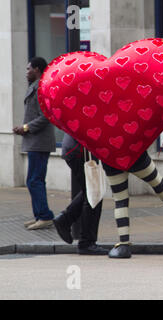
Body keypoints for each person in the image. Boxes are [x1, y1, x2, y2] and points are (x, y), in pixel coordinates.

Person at [13, 57, 56, 230]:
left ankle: (44, 216)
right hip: (35, 142)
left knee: (34, 180)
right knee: (34, 180)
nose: (26, 72)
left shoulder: (40, 88)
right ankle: (40, 215)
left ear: (37, 69)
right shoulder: (36, 87)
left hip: (39, 142)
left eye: (28, 69)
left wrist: (25, 128)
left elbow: (46, 116)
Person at [53, 134, 108, 255]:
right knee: (94, 194)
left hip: (75, 148)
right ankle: (86, 243)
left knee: (91, 191)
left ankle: (65, 219)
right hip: (80, 150)